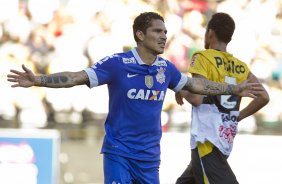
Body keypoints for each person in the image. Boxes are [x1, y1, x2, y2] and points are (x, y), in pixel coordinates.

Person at [7, 12, 263, 184]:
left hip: (150, 156)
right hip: (120, 152)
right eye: (157, 31)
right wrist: (39, 80)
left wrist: (233, 89)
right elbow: (76, 77)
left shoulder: (166, 69)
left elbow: (194, 84)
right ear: (140, 35)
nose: (164, 36)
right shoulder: (117, 64)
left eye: (165, 31)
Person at [175, 12, 269, 184]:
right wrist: (237, 116)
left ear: (210, 32)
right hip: (225, 137)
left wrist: (182, 89)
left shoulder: (202, 58)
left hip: (207, 140)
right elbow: (263, 96)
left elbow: (196, 98)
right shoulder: (241, 67)